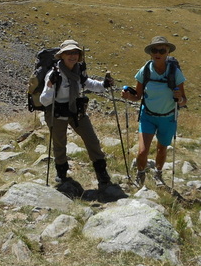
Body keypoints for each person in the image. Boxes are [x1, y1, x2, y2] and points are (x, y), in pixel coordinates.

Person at [39, 39, 115, 191]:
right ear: (62, 55)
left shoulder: (78, 70)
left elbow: (88, 83)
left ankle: (102, 173)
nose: (72, 56)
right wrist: (50, 85)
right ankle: (61, 173)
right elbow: (44, 100)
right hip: (57, 112)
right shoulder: (54, 74)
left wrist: (104, 85)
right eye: (68, 53)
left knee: (92, 140)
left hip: (75, 111)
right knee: (60, 143)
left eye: (75, 53)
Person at [121, 36, 186, 186]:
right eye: (154, 50)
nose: (158, 53)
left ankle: (158, 173)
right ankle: (140, 174)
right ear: (150, 52)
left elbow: (184, 100)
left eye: (162, 51)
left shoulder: (175, 72)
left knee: (161, 149)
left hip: (168, 118)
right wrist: (128, 96)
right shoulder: (145, 70)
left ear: (168, 52)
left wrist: (179, 99)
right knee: (142, 151)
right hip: (147, 116)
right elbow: (137, 96)